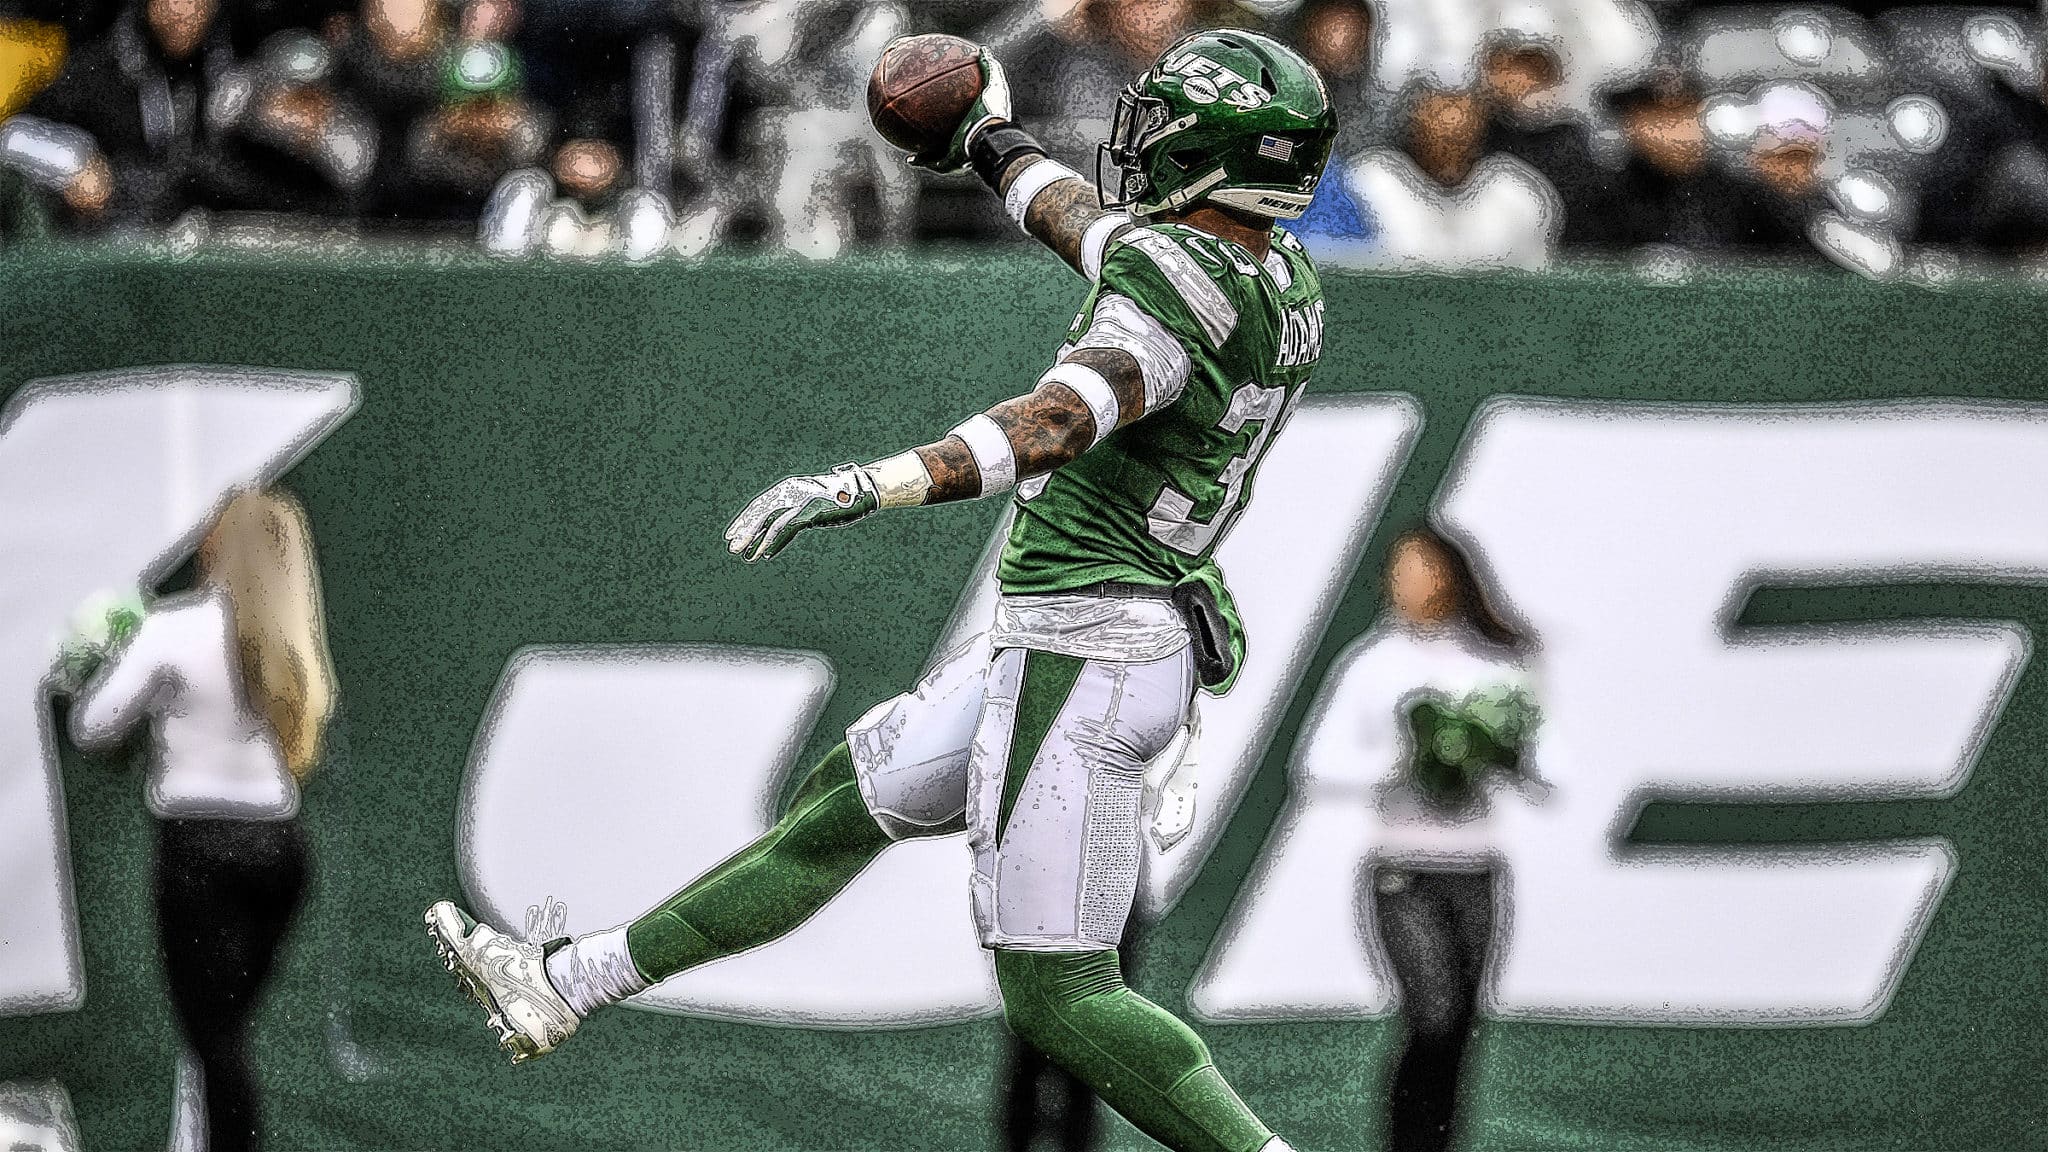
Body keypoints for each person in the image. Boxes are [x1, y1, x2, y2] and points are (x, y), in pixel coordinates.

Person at [427, 28, 1334, 1152]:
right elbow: (1093, 233)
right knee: (834, 811)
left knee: (1061, 993)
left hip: (1089, 646)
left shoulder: (1172, 286)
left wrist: (872, 482)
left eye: (1164, 128)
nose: (1134, 144)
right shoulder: (1275, 275)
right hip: (1091, 629)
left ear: (1213, 151)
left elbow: (1055, 417)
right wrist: (989, 139)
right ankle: (567, 983)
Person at [68, 487, 338, 1152]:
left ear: (220, 547)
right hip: (280, 854)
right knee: (223, 1040)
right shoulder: (295, 643)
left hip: (202, 853)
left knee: (215, 1044)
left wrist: (100, 667)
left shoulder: (174, 628)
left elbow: (92, 724)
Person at [1365, 527, 1535, 1152]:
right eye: (1398, 569)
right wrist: (1414, 754)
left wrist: (1497, 750)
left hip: (1477, 870)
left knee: (1461, 1023)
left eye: (1419, 566)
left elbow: (1551, 766)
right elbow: (1318, 761)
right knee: (1432, 1015)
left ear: (1452, 572)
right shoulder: (1377, 661)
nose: (1406, 581)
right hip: (1404, 872)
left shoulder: (1495, 663)